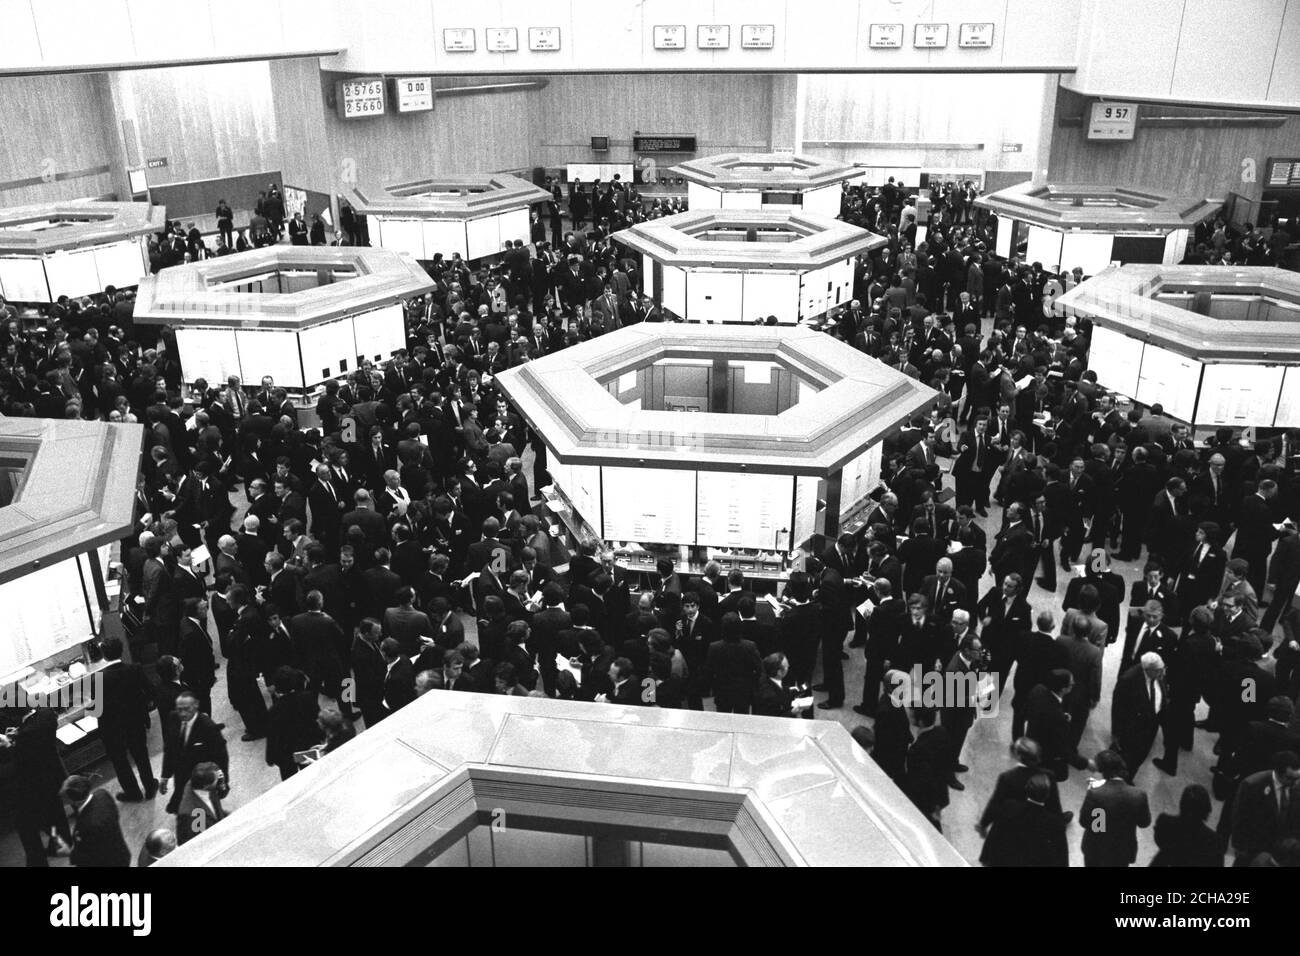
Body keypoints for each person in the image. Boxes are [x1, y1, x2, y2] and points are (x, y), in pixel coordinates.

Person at [0, 708, 73, 866]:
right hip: (52, 774)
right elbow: (33, 733)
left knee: (26, 825)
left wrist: (9, 744)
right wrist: (19, 734)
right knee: (56, 812)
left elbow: (21, 758)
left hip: (30, 783)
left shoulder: (25, 738)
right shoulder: (46, 714)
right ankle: (63, 842)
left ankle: (38, 861)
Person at [93, 636, 158, 803]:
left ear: (104, 656)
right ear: (121, 651)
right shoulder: (134, 669)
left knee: (120, 761)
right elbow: (150, 690)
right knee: (141, 755)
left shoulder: (99, 679)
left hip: (112, 727)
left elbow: (96, 708)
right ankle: (150, 786)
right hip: (135, 721)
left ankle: (133, 792)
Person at [160, 692, 229, 815]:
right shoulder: (172, 718)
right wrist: (165, 776)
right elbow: (169, 749)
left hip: (200, 781)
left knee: (200, 813)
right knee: (184, 808)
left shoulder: (208, 727)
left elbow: (221, 758)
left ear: (196, 705)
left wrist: (222, 783)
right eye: (179, 709)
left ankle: (203, 829)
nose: (183, 714)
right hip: (181, 777)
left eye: (187, 709)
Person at [1078, 750, 1151, 867]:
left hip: (1096, 848)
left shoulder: (1096, 795)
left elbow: (1085, 822)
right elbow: (1144, 823)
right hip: (1122, 850)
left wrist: (1097, 791)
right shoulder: (1139, 795)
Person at [979, 772, 1069, 867]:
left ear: (1027, 789)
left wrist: (985, 858)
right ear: (1047, 795)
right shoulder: (1055, 824)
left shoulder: (1009, 807)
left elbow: (994, 835)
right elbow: (1061, 855)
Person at [60, 775, 131, 868]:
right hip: (121, 853)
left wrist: (69, 853)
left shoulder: (87, 826)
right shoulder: (103, 794)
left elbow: (91, 857)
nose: (60, 792)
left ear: (72, 800)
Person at [1151, 784, 1224, 867]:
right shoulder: (1215, 841)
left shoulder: (1165, 822)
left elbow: (1159, 842)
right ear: (1206, 809)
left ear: (1182, 804)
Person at [177, 762, 227, 845]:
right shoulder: (188, 814)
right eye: (216, 780)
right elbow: (188, 842)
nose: (219, 778)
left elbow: (219, 797)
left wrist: (222, 783)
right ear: (206, 786)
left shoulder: (198, 782)